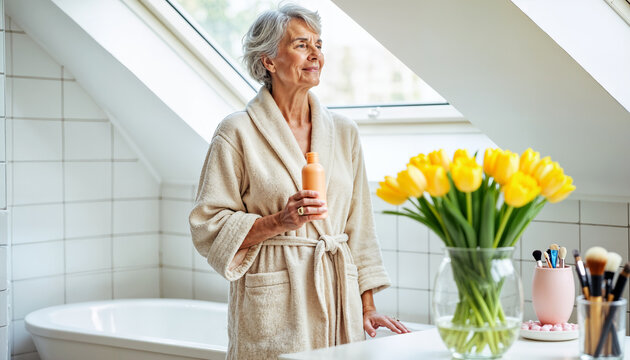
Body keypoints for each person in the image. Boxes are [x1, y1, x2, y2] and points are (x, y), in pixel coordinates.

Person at [189, 4, 409, 360]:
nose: (316, 55)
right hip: (274, 300)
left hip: (337, 297)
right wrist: (279, 222)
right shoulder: (237, 132)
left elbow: (359, 226)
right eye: (301, 45)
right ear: (269, 61)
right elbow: (207, 224)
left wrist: (367, 307)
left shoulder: (344, 133)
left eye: (319, 45)